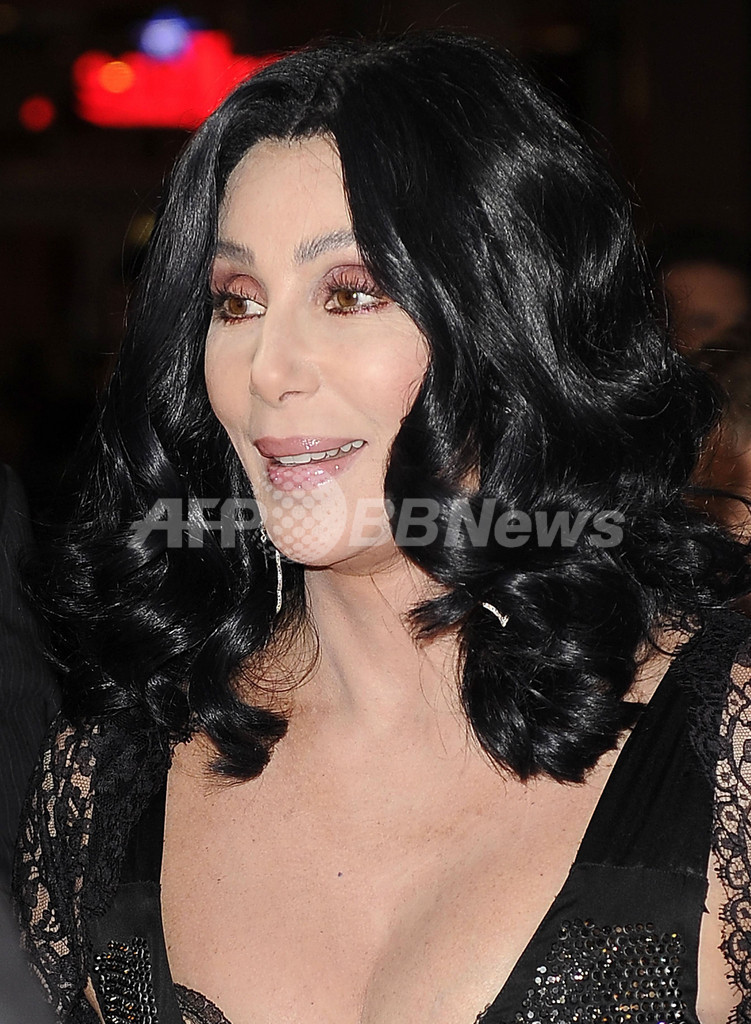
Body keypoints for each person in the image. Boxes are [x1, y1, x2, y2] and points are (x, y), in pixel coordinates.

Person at [12, 33, 751, 1024]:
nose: (269, 369)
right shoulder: (106, 777)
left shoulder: (729, 744)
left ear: (511, 320)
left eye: (351, 292)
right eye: (235, 302)